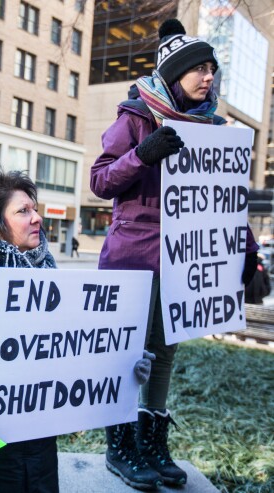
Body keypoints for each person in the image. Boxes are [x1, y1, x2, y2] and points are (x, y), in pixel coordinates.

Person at [90, 19, 259, 490]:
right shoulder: (135, 117)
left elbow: (223, 200)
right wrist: (142, 154)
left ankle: (152, 441)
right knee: (128, 352)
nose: (208, 77)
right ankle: (120, 446)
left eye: (212, 69)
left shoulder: (214, 128)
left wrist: (247, 254)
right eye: (199, 69)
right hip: (134, 258)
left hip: (185, 260)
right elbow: (100, 181)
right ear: (174, 74)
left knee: (164, 353)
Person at [0, 168, 154, 493]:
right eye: (23, 211)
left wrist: (123, 364)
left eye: (35, 209)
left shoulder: (50, 275)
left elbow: (73, 348)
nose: (37, 219)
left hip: (39, 458)